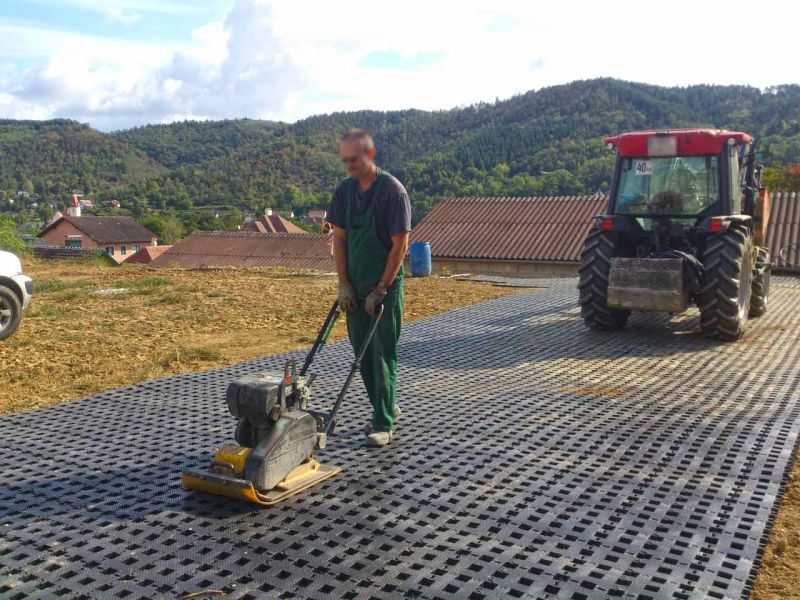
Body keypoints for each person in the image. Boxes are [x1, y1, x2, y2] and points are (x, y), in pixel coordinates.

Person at [326, 129, 411, 447]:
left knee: (381, 352)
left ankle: (383, 422)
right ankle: (385, 403)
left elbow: (400, 245)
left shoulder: (393, 192)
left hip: (384, 283)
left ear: (370, 156)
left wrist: (381, 288)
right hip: (355, 282)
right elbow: (340, 239)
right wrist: (343, 284)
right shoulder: (344, 192)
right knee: (361, 352)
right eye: (346, 160)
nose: (351, 166)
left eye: (356, 159)